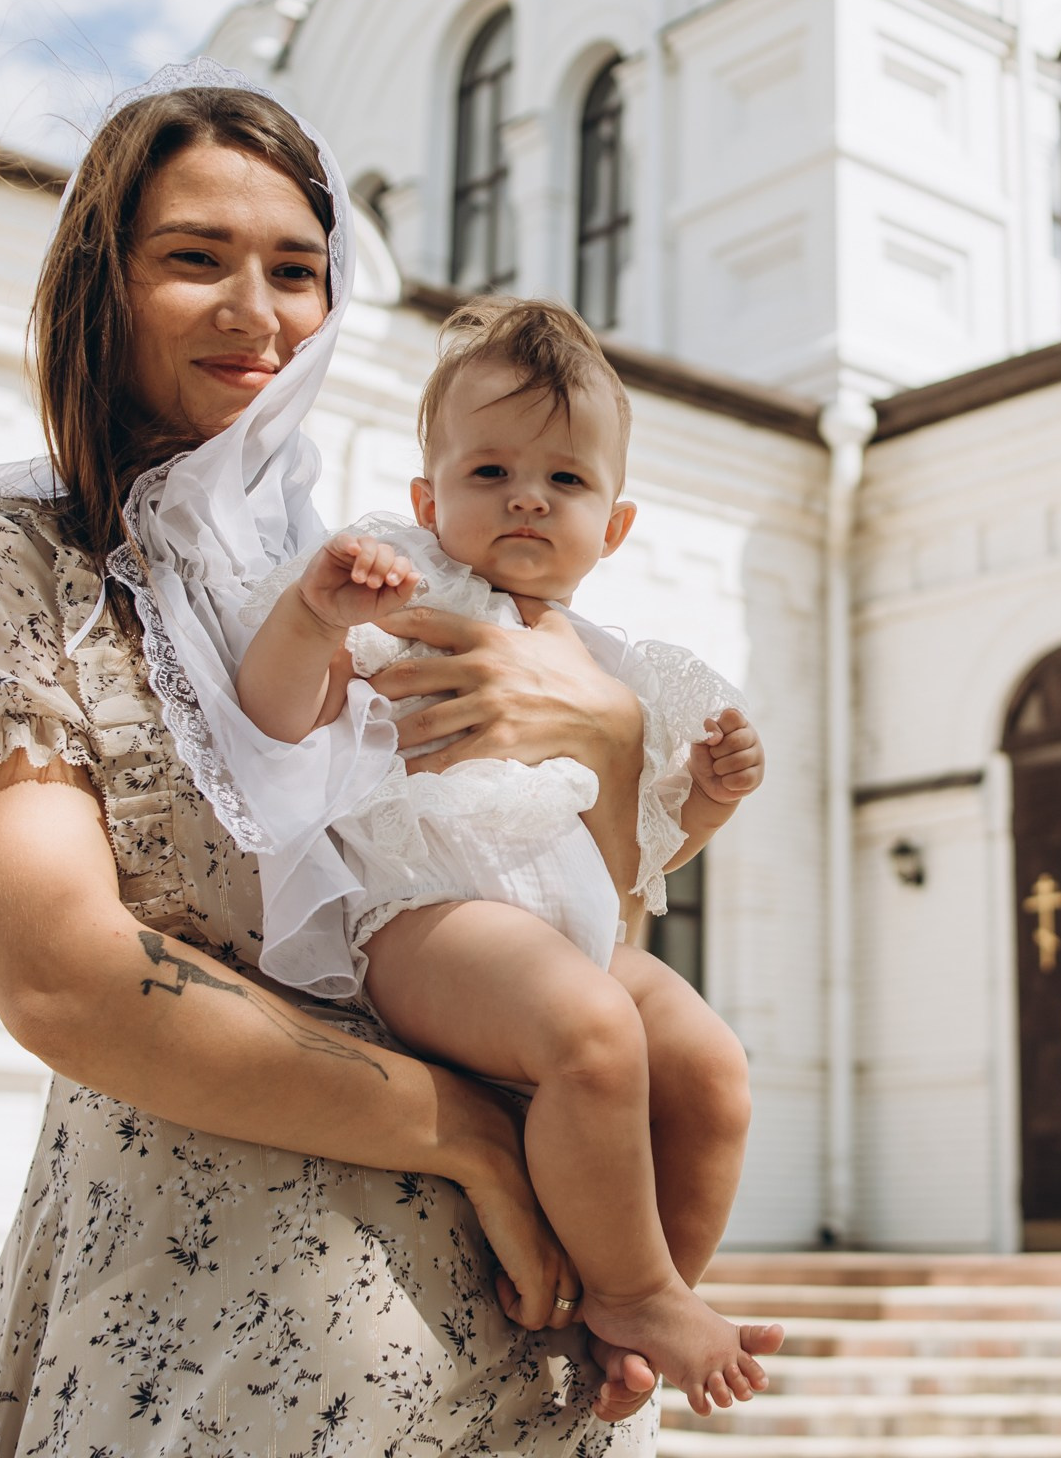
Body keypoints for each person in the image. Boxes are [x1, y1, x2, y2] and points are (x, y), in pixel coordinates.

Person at [0, 67, 665, 1455]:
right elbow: (68, 978)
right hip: (208, 1346)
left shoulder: (394, 560)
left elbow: (571, 935)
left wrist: (612, 749)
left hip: (514, 1354)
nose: (257, 311)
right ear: (104, 287)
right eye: (195, 259)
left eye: (297, 269)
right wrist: (466, 1135)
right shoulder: (13, 563)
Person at [236, 299, 781, 1414]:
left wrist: (711, 799)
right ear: (432, 498)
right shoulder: (404, 588)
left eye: (566, 481)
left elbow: (642, 859)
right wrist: (311, 617)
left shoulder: (618, 665)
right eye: (491, 471)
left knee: (713, 1070)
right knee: (590, 1030)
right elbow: (278, 723)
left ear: (614, 527)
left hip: (575, 923)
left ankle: (645, 1298)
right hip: (431, 911)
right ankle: (634, 1291)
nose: (529, 496)